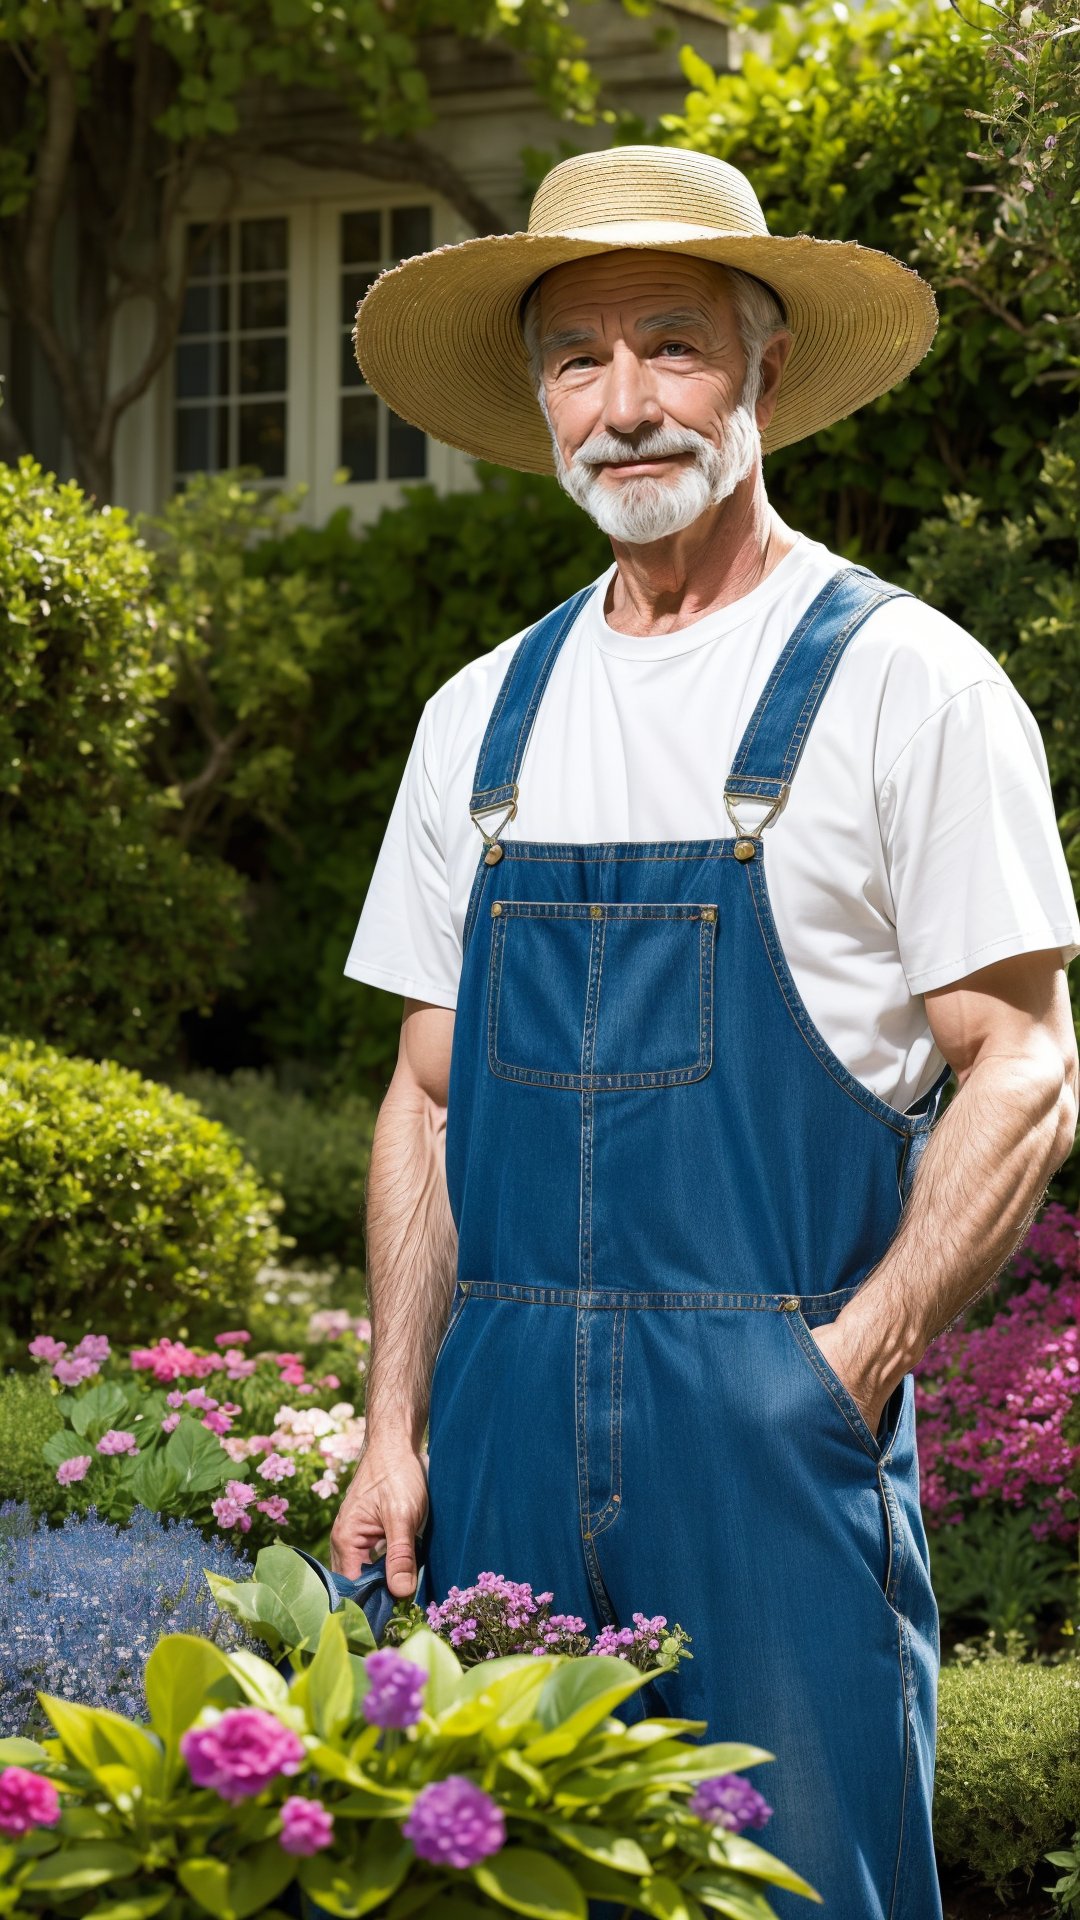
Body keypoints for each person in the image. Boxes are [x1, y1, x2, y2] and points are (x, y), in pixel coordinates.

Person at [331, 147, 1080, 1917]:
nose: (626, 405)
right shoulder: (479, 718)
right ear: (539, 404)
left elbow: (1029, 1065)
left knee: (803, 1890)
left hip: (764, 1424)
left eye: (673, 347)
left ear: (764, 374)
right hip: (497, 1425)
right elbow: (426, 1100)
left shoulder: (909, 682)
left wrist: (843, 1373)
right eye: (579, 360)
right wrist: (391, 1423)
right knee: (491, 1884)